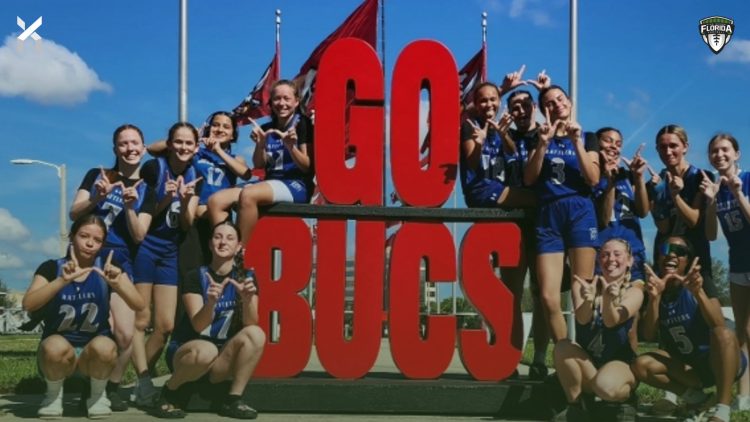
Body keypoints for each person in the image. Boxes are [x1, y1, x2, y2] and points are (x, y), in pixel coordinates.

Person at [22, 215, 145, 418]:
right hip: (57, 355)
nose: (89, 243)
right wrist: (61, 281)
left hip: (93, 356)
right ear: (72, 236)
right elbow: (28, 304)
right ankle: (53, 397)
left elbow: (138, 305)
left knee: (105, 346)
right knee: (54, 345)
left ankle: (97, 397)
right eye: (84, 236)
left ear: (103, 244)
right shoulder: (52, 267)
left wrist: (118, 284)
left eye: (97, 240)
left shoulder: (107, 268)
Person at [69, 124, 156, 411]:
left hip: (120, 260)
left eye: (135, 143)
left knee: (125, 333)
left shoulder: (148, 189)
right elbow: (74, 213)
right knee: (88, 327)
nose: (130, 149)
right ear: (115, 149)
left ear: (143, 148)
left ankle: (112, 386)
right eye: (123, 144)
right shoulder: (98, 175)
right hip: (88, 256)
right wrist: (97, 197)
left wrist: (130, 207)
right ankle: (86, 386)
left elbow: (140, 235)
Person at [155, 221, 264, 419]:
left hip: (221, 359)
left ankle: (233, 400)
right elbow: (198, 324)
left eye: (230, 238)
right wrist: (211, 302)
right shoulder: (195, 276)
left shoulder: (246, 277)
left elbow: (250, 324)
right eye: (218, 237)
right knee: (206, 350)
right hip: (190, 354)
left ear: (239, 246)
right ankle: (168, 392)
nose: (223, 242)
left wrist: (247, 301)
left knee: (256, 334)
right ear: (210, 244)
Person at [631, 236, 745, 422]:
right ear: (659, 257)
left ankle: (722, 410)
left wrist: (698, 293)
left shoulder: (700, 282)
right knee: (641, 364)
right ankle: (698, 398)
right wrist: (654, 299)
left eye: (680, 251)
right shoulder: (654, 287)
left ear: (688, 260)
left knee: (723, 334)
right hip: (691, 368)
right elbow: (649, 335)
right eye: (666, 249)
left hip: (720, 361)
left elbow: (719, 325)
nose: (672, 254)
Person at [131, 122, 202, 406]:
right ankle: (143, 381)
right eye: (179, 142)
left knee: (165, 325)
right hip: (146, 247)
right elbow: (149, 210)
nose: (184, 148)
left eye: (189, 143)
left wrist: (184, 201)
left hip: (170, 251)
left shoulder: (196, 175)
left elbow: (187, 223)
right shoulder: (154, 169)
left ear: (196, 148)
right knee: (141, 320)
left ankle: (140, 381)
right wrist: (168, 196)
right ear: (169, 144)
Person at [523, 85, 600, 344]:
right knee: (548, 296)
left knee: (582, 293)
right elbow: (529, 178)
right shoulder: (540, 136)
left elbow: (593, 178)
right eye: (549, 103)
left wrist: (576, 141)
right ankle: (565, 354)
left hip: (579, 210)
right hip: (549, 214)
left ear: (569, 101)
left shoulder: (588, 137)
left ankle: (588, 356)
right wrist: (543, 144)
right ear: (544, 110)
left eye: (559, 99)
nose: (556, 105)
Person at [207, 79, 314, 241]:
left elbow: (307, 167)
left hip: (297, 184)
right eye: (277, 98)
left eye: (286, 98)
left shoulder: (303, 124)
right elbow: (259, 165)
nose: (281, 103)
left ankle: (241, 253)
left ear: (296, 101)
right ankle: (227, 246)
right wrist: (260, 144)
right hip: (271, 182)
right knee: (216, 201)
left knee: (248, 195)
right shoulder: (266, 128)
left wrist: (291, 147)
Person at [148, 112, 251, 276]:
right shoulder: (196, 152)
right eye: (216, 125)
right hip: (193, 219)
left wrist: (218, 151)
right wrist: (192, 135)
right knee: (192, 272)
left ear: (233, 135)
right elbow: (152, 149)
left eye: (226, 126)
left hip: (218, 221)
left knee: (220, 271)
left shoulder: (235, 158)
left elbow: (245, 174)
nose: (219, 129)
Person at [552, 238, 644, 421]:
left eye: (617, 254)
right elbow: (582, 318)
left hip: (619, 365)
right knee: (562, 347)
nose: (611, 259)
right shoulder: (584, 285)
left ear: (629, 260)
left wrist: (609, 300)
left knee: (605, 386)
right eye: (605, 254)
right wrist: (587, 300)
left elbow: (612, 321)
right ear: (599, 260)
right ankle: (577, 406)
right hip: (590, 365)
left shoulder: (635, 291)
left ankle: (625, 400)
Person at [703, 133, 750, 410]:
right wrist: (710, 203)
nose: (719, 155)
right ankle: (743, 395)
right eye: (714, 151)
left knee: (748, 328)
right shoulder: (714, 187)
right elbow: (710, 235)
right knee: (741, 332)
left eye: (725, 150)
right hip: (738, 263)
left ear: (737, 154)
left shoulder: (746, 179)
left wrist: (738, 193)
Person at [649, 124, 714, 295]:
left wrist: (675, 195)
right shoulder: (657, 181)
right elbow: (663, 228)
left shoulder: (701, 176)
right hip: (666, 258)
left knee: (706, 314)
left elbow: (693, 220)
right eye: (663, 147)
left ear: (685, 147)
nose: (668, 151)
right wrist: (657, 197)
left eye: (673, 145)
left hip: (696, 257)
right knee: (661, 314)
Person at [593, 127, 650, 281]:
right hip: (606, 254)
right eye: (607, 141)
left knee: (635, 299)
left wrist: (638, 178)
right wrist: (610, 182)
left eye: (618, 144)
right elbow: (603, 219)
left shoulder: (626, 176)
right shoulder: (591, 177)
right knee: (605, 301)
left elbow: (643, 212)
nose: (614, 146)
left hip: (633, 251)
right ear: (596, 144)